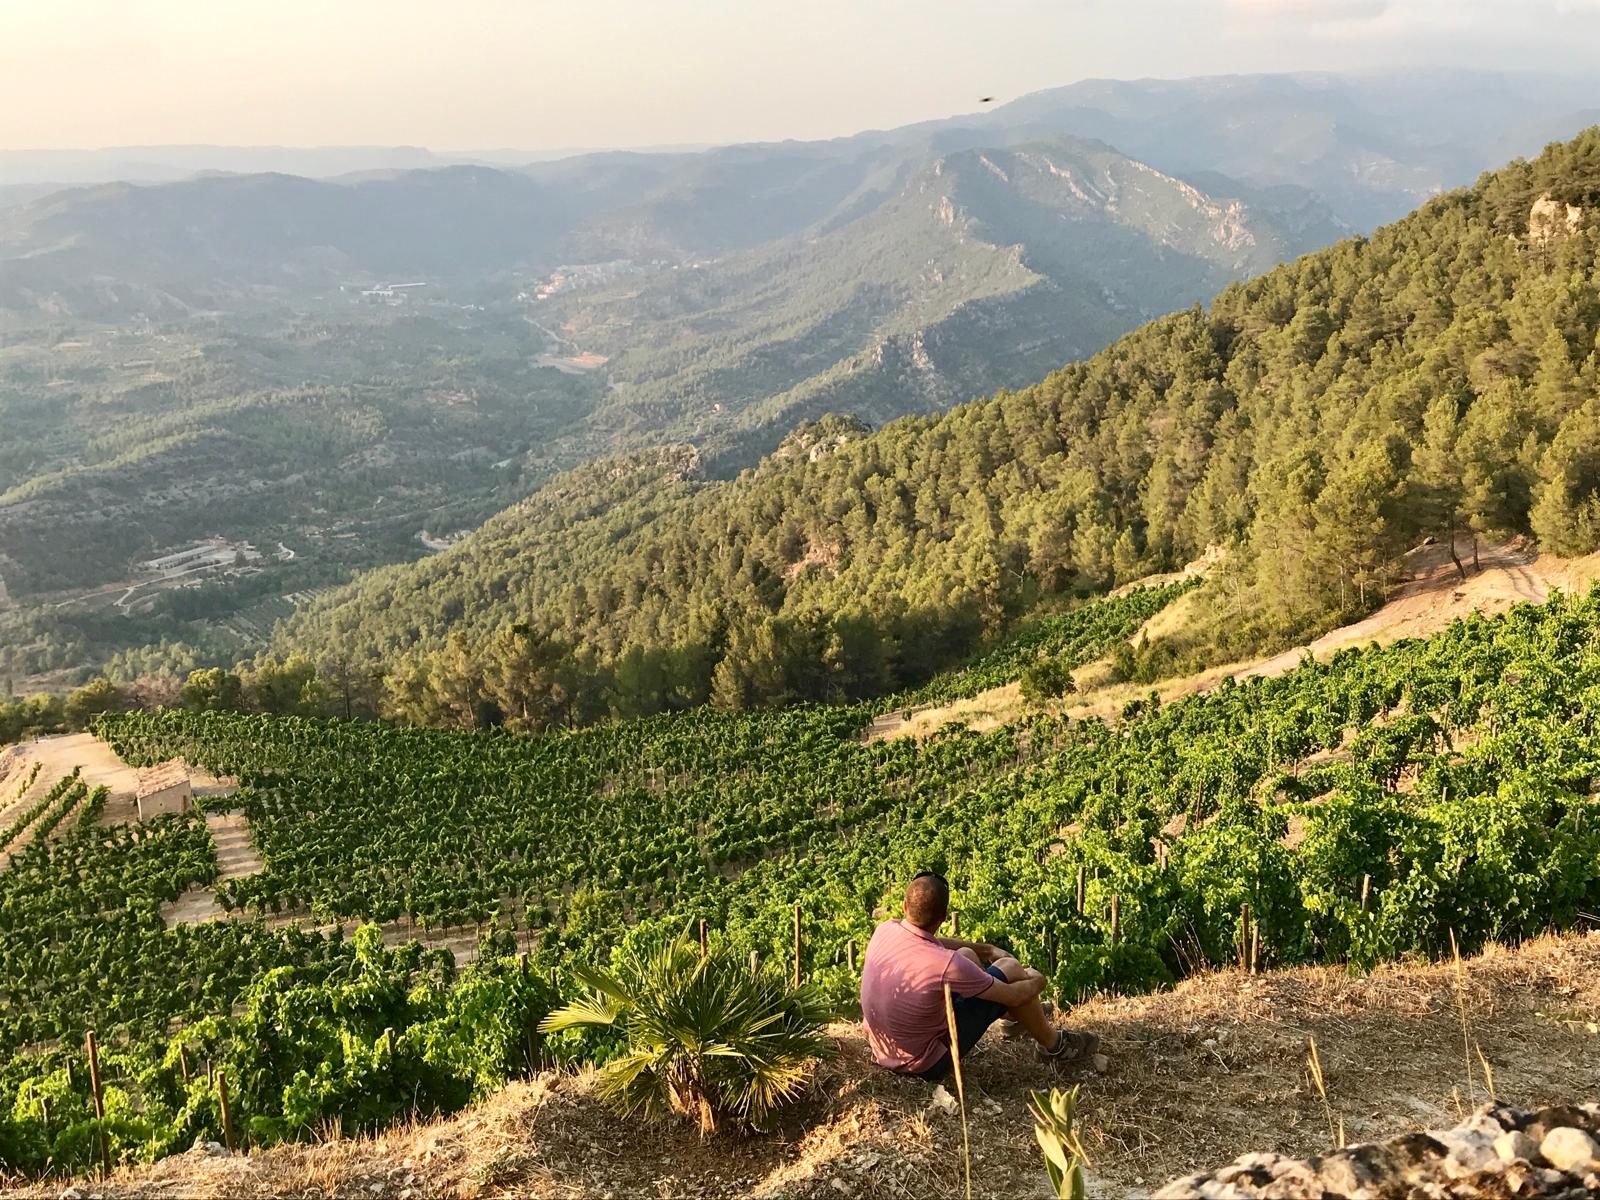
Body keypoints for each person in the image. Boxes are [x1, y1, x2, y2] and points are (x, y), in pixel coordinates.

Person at [859, 871, 1098, 1081]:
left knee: (966, 954)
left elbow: (935, 944)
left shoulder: (886, 929)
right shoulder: (946, 964)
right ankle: (1055, 1047)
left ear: (904, 907)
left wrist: (986, 950)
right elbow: (1014, 995)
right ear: (943, 917)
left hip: (885, 1051)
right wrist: (1037, 979)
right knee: (1013, 971)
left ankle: (1017, 1021)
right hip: (925, 1063)